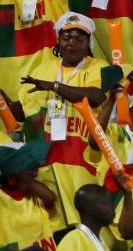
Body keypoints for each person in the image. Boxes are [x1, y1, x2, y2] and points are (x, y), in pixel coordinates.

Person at [16, 13, 112, 231]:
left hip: (83, 163)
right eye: (66, 37)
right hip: (49, 163)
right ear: (58, 40)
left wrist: (55, 87)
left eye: (79, 38)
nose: (72, 42)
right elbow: (25, 112)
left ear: (89, 43)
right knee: (54, 227)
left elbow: (97, 96)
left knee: (87, 229)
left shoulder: (98, 66)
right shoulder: (42, 70)